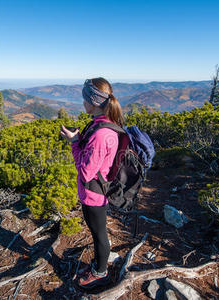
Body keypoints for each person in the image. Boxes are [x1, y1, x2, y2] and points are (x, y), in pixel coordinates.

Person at [60, 77, 124, 289]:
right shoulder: (105, 124)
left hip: (94, 194)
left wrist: (74, 143)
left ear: (94, 101)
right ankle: (99, 265)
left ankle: (100, 273)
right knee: (98, 232)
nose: (83, 103)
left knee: (99, 235)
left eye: (85, 98)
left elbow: (86, 172)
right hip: (97, 191)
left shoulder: (101, 134)